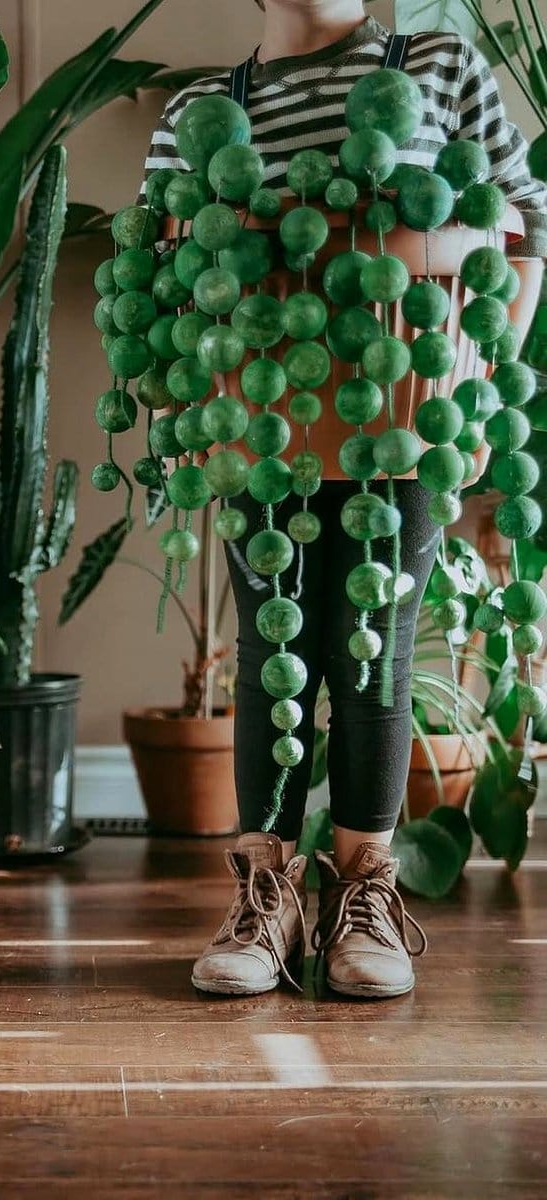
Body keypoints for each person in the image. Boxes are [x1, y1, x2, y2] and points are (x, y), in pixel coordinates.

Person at [136, 0, 547, 999]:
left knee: (375, 640)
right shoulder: (196, 112)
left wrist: (481, 380)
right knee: (276, 652)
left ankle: (366, 890)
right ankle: (267, 891)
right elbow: (160, 277)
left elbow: (522, 222)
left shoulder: (441, 67)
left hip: (403, 420)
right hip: (251, 426)